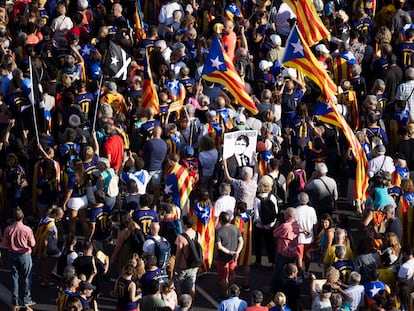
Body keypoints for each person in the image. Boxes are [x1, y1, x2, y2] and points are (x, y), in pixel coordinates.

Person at [2, 208, 36, 310]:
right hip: (25, 255)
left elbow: (4, 244)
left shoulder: (8, 229)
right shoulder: (27, 229)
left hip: (12, 254)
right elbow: (32, 244)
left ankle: (15, 299)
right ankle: (26, 300)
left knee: (14, 277)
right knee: (26, 278)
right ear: (23, 217)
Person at [215, 212, 244, 297]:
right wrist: (237, 252)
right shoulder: (235, 228)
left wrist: (229, 252)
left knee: (223, 277)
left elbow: (219, 247)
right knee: (232, 273)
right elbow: (241, 241)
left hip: (223, 258)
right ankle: (232, 290)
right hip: (233, 257)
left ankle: (225, 294)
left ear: (220, 221)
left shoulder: (219, 231)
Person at [174, 215, 200, 297]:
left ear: (185, 225)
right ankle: (191, 303)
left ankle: (179, 301)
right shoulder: (197, 234)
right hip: (194, 264)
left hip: (183, 265)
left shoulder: (180, 237)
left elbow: (178, 253)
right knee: (191, 285)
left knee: (177, 284)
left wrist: (175, 265)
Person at [295, 192, 318, 276]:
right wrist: (315, 235)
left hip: (299, 237)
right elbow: (315, 224)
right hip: (309, 237)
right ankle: (307, 271)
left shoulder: (296, 210)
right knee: (308, 254)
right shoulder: (312, 210)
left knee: (299, 256)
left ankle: (300, 273)